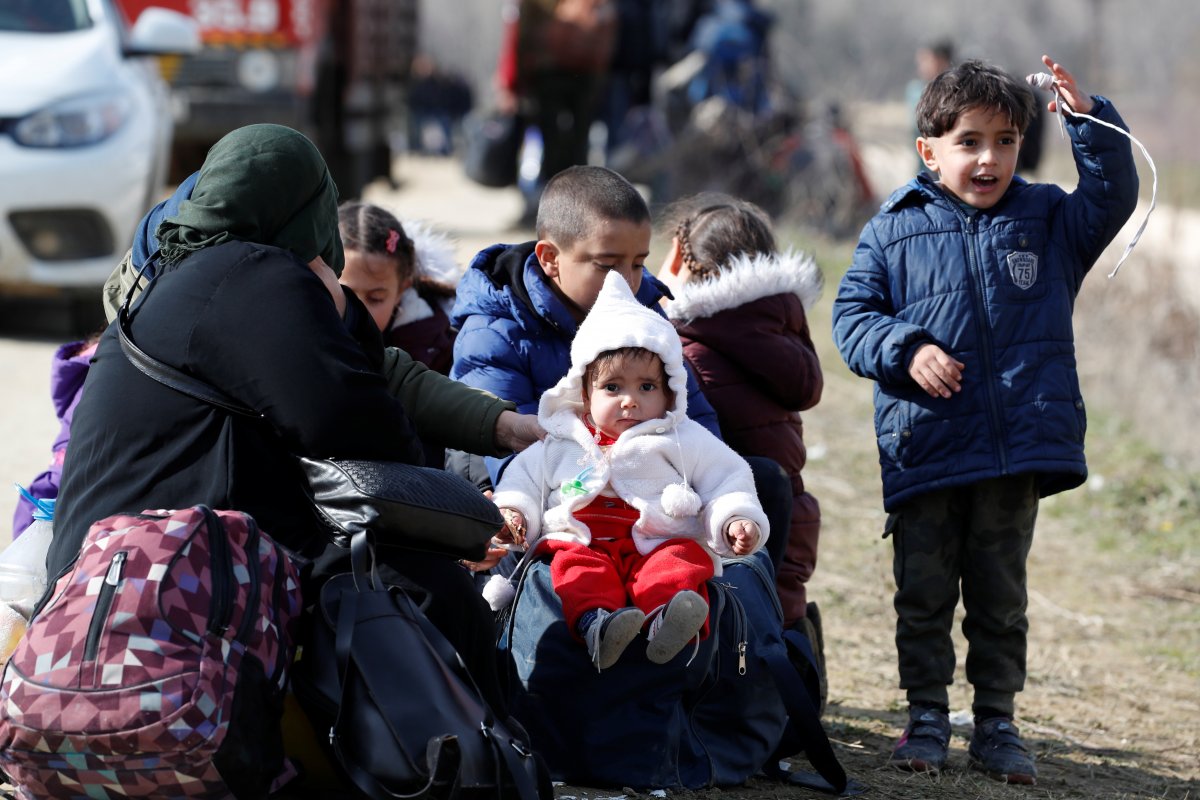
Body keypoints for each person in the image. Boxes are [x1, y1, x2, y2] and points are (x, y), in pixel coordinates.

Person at [45, 124, 521, 793]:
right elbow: (363, 430)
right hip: (185, 574)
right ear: (310, 208)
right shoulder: (258, 276)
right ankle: (486, 760)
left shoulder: (164, 275)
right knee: (421, 577)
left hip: (88, 582)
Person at [831, 56, 1139, 785]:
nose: (989, 158)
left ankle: (997, 722)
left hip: (1016, 449)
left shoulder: (1049, 222)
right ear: (929, 151)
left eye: (1005, 141)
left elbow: (1114, 192)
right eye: (969, 141)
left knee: (1001, 596)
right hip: (927, 446)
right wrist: (905, 350)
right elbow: (851, 319)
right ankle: (926, 715)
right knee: (924, 593)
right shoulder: (892, 230)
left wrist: (1087, 114)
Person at [489, 272, 767, 670]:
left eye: (647, 388)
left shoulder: (683, 439)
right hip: (583, 541)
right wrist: (513, 513)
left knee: (680, 563)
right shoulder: (562, 439)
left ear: (671, 390)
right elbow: (522, 482)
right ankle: (598, 626)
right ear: (585, 393)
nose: (629, 402)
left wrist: (736, 518)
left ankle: (668, 623)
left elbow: (729, 478)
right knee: (574, 569)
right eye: (613, 388)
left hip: (656, 541)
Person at [659, 194, 823, 636]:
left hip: (735, 515)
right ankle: (799, 660)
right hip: (792, 507)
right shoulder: (782, 330)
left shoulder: (685, 344)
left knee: (740, 619)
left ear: (682, 258)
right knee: (778, 606)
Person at [494, 0, 618, 225]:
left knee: (556, 147)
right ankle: (568, 212)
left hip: (552, 73)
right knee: (571, 148)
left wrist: (512, 82)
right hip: (577, 75)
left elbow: (519, 36)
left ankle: (560, 212)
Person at [906, 38, 954, 173]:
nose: (921, 66)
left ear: (941, 61)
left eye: (926, 60)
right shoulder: (915, 90)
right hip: (924, 164)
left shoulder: (958, 92)